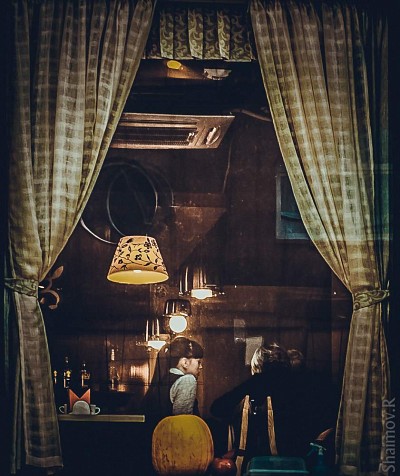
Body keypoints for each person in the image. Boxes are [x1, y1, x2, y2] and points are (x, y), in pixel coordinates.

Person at [210, 343, 334, 474]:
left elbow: (217, 408)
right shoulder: (302, 383)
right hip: (302, 457)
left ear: (257, 365)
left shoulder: (257, 382)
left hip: (264, 459)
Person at [143, 336, 204, 423]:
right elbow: (183, 422)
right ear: (185, 363)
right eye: (199, 362)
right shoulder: (187, 380)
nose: (201, 367)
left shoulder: (165, 379)